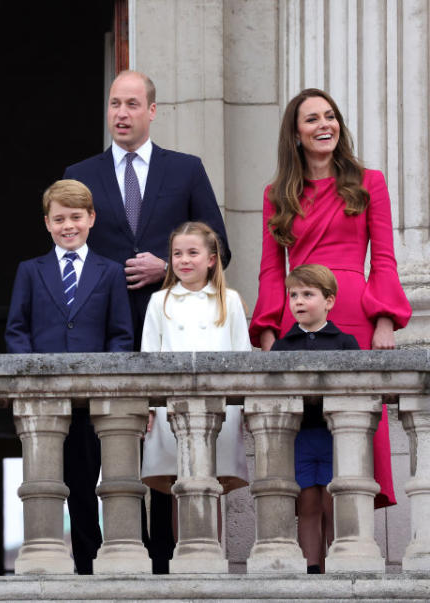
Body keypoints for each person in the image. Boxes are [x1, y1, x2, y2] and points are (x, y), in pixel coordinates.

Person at [63, 69, 232, 571]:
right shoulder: (82, 172)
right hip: (95, 330)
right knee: (89, 443)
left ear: (152, 111)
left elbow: (222, 247)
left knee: (163, 439)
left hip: (170, 324)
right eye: (115, 103)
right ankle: (92, 557)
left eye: (133, 104)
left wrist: (168, 268)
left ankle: (162, 555)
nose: (121, 113)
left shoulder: (185, 169)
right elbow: (65, 246)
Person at [249, 88, 411, 509]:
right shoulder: (276, 194)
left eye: (330, 116)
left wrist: (385, 321)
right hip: (297, 321)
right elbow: (270, 270)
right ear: (296, 134)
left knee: (356, 431)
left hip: (354, 314)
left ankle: (355, 549)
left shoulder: (368, 182)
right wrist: (269, 333)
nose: (325, 125)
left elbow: (385, 259)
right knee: (303, 438)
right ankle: (311, 560)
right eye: (312, 119)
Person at [4, 178, 132, 574]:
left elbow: (121, 335)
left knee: (86, 486)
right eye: (59, 219)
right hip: (44, 403)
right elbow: (17, 330)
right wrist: (33, 380)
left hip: (92, 404)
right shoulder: (30, 270)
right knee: (42, 486)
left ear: (91, 218)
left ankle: (88, 569)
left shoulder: (109, 272)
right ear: (47, 223)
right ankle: (44, 563)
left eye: (76, 217)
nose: (68, 226)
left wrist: (107, 389)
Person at [140, 221, 250, 542]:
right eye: (177, 254)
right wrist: (149, 405)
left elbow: (242, 357)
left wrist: (241, 407)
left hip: (220, 408)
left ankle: (211, 554)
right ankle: (184, 556)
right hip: (171, 408)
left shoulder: (228, 301)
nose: (184, 260)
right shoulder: (159, 302)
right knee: (179, 485)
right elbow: (149, 356)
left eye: (192, 253)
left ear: (211, 259)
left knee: (210, 483)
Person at [271, 264, 359, 574]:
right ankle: (311, 566)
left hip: (336, 436)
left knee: (333, 502)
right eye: (293, 294)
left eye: (308, 294)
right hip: (300, 436)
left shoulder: (345, 343)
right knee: (307, 503)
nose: (298, 301)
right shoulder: (282, 346)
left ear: (329, 301)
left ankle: (337, 562)